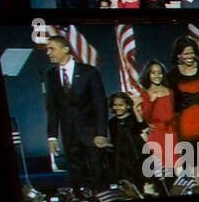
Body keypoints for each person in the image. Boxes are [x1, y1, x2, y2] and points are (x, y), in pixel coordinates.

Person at [44, 35, 111, 192]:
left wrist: (101, 133)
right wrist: (52, 136)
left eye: (51, 48)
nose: (48, 53)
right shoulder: (51, 75)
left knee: (97, 172)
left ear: (65, 49)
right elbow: (52, 107)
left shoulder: (89, 72)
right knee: (77, 174)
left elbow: (100, 104)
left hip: (92, 133)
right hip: (69, 134)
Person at [137, 60, 176, 187]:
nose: (157, 76)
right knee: (160, 169)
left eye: (159, 73)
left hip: (170, 132)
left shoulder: (170, 92)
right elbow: (146, 118)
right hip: (155, 134)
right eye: (153, 73)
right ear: (148, 75)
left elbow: (174, 113)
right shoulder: (145, 94)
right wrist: (151, 101)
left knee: (175, 167)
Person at [106, 92, 145, 188]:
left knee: (138, 183)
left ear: (127, 106)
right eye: (115, 105)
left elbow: (142, 127)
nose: (117, 108)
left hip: (135, 156)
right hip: (121, 158)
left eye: (121, 105)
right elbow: (114, 140)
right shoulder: (112, 122)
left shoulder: (133, 119)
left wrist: (135, 109)